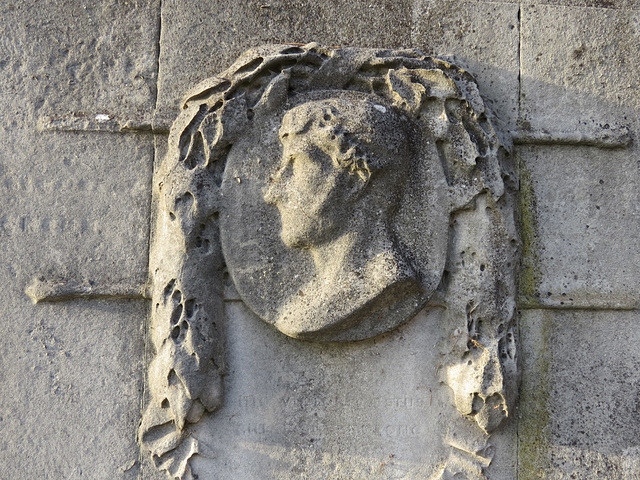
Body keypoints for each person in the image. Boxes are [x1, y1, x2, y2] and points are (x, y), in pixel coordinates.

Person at [263, 97, 425, 341]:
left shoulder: (382, 284)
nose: (272, 193)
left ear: (353, 180)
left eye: (295, 166)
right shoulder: (302, 309)